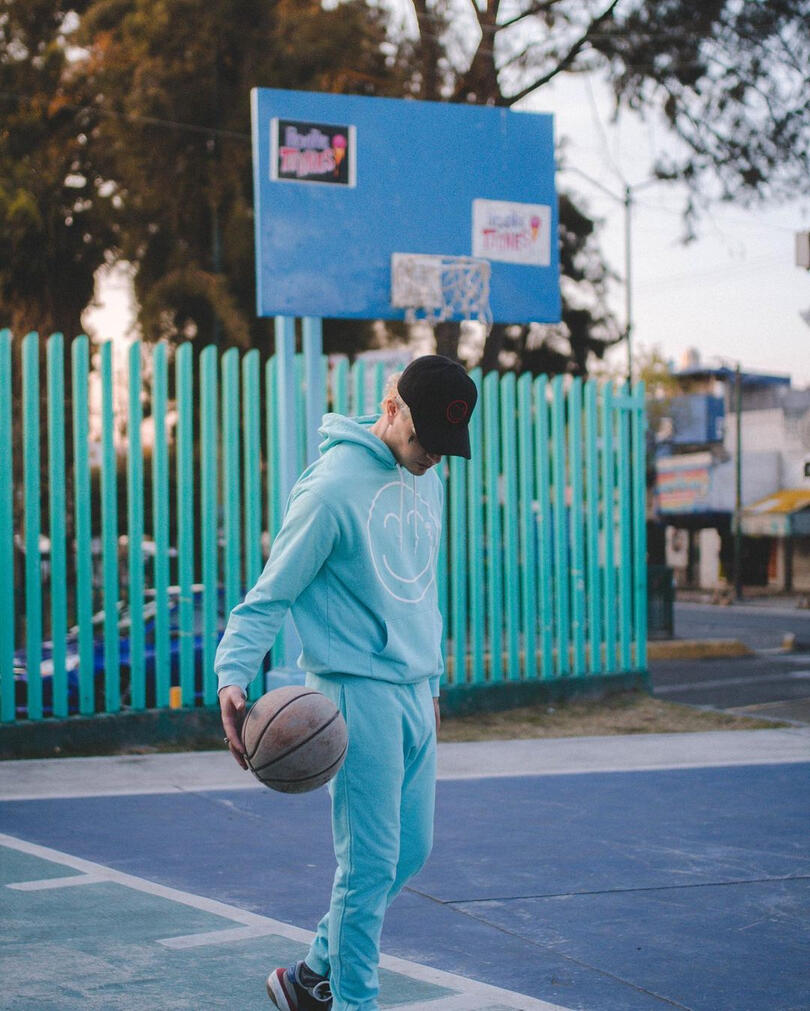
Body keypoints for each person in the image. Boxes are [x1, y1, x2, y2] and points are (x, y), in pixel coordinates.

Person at [216, 354, 478, 1011]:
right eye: (425, 441)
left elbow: (419, 591)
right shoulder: (330, 488)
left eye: (446, 446)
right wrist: (232, 673)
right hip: (355, 692)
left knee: (410, 852)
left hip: (414, 691)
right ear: (392, 410)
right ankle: (353, 1001)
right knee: (368, 864)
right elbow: (272, 592)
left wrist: (432, 684)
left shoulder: (427, 479)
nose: (433, 457)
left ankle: (310, 975)